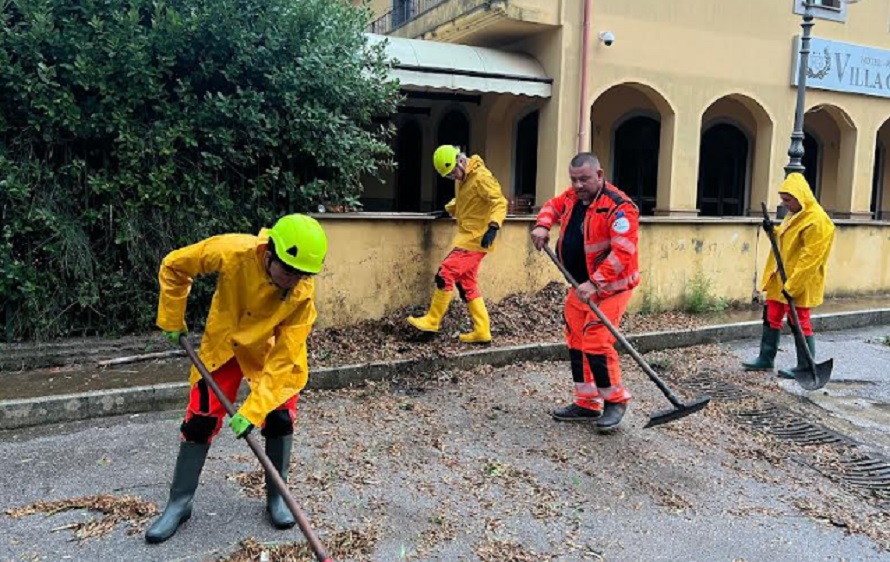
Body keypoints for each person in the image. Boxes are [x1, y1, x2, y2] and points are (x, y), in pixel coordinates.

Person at [145, 214, 327, 544]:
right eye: (288, 271)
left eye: (302, 274)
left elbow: (286, 355)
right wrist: (171, 317)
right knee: (199, 421)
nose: (293, 281)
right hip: (225, 346)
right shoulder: (232, 251)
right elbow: (174, 266)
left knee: (280, 418)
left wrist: (253, 411)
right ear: (269, 253)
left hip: (271, 355)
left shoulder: (301, 292)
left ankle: (276, 498)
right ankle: (179, 503)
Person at [530, 152, 640, 433]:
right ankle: (587, 402)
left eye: (584, 179)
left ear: (599, 175)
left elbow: (622, 253)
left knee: (597, 341)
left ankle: (615, 401)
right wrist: (543, 225)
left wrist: (596, 282)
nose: (578, 185)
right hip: (580, 287)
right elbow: (552, 206)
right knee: (576, 339)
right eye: (574, 179)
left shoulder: (619, 208)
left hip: (611, 289)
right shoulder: (573, 197)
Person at [408, 145, 507, 344]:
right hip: (468, 237)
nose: (453, 177)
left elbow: (499, 201)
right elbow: (464, 201)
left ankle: (432, 321)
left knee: (445, 274)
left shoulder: (481, 177)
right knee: (466, 284)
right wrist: (447, 210)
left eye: (453, 172)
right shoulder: (465, 178)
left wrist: (493, 226)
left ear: (460, 161)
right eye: (449, 175)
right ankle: (482, 331)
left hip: (476, 239)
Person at [743, 173, 835, 378]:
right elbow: (786, 242)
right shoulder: (794, 214)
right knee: (771, 316)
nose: (784, 204)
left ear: (800, 197)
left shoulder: (818, 222)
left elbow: (810, 260)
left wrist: (792, 287)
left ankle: (804, 365)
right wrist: (772, 231)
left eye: (787, 200)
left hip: (800, 281)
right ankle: (765, 359)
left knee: (798, 322)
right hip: (780, 276)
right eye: (783, 199)